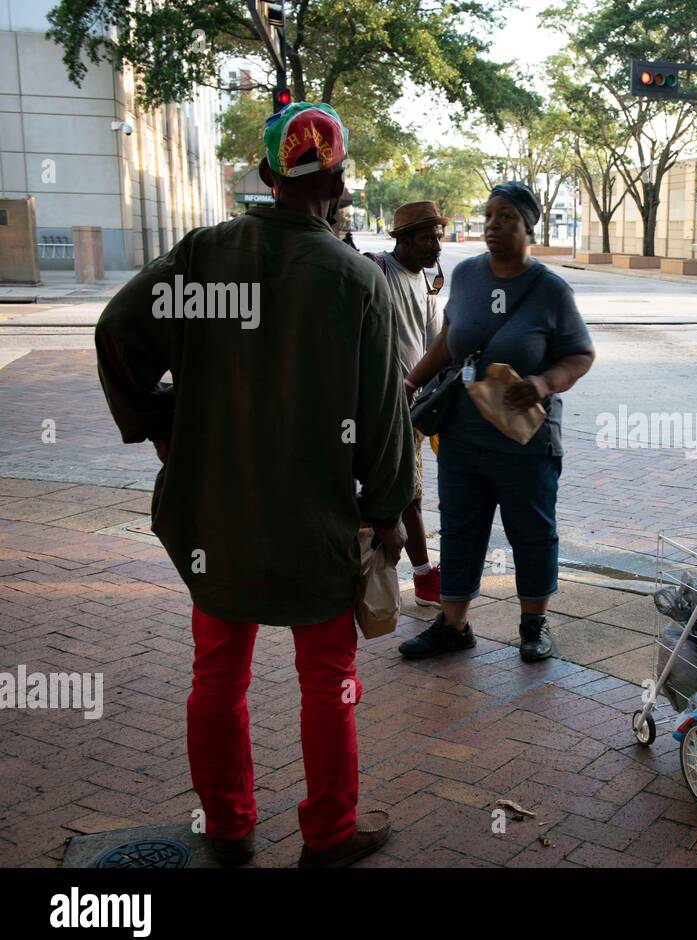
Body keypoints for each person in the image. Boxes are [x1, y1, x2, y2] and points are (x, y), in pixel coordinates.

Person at [95, 102, 417, 866]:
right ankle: (330, 834)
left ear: (269, 176)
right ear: (338, 181)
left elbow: (117, 332)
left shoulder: (204, 255)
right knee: (327, 678)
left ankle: (230, 827)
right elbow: (382, 420)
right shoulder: (354, 279)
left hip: (216, 518)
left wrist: (165, 429)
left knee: (216, 673)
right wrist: (390, 514)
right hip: (317, 522)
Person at [399, 181, 595, 663]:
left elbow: (580, 354)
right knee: (461, 528)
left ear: (529, 226)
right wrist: (411, 382)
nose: (493, 224)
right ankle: (453, 625)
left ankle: (534, 624)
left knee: (531, 530)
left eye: (506, 216)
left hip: (525, 440)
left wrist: (545, 383)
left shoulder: (551, 289)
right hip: (463, 436)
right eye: (488, 215)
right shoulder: (465, 276)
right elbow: (449, 339)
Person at [363, 200, 447, 607]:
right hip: (384, 403)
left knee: (406, 489)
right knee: (406, 491)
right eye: (429, 236)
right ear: (405, 239)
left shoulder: (427, 284)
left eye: (439, 235)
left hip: (415, 403)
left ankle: (411, 567)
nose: (438, 244)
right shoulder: (377, 270)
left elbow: (434, 346)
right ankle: (423, 576)